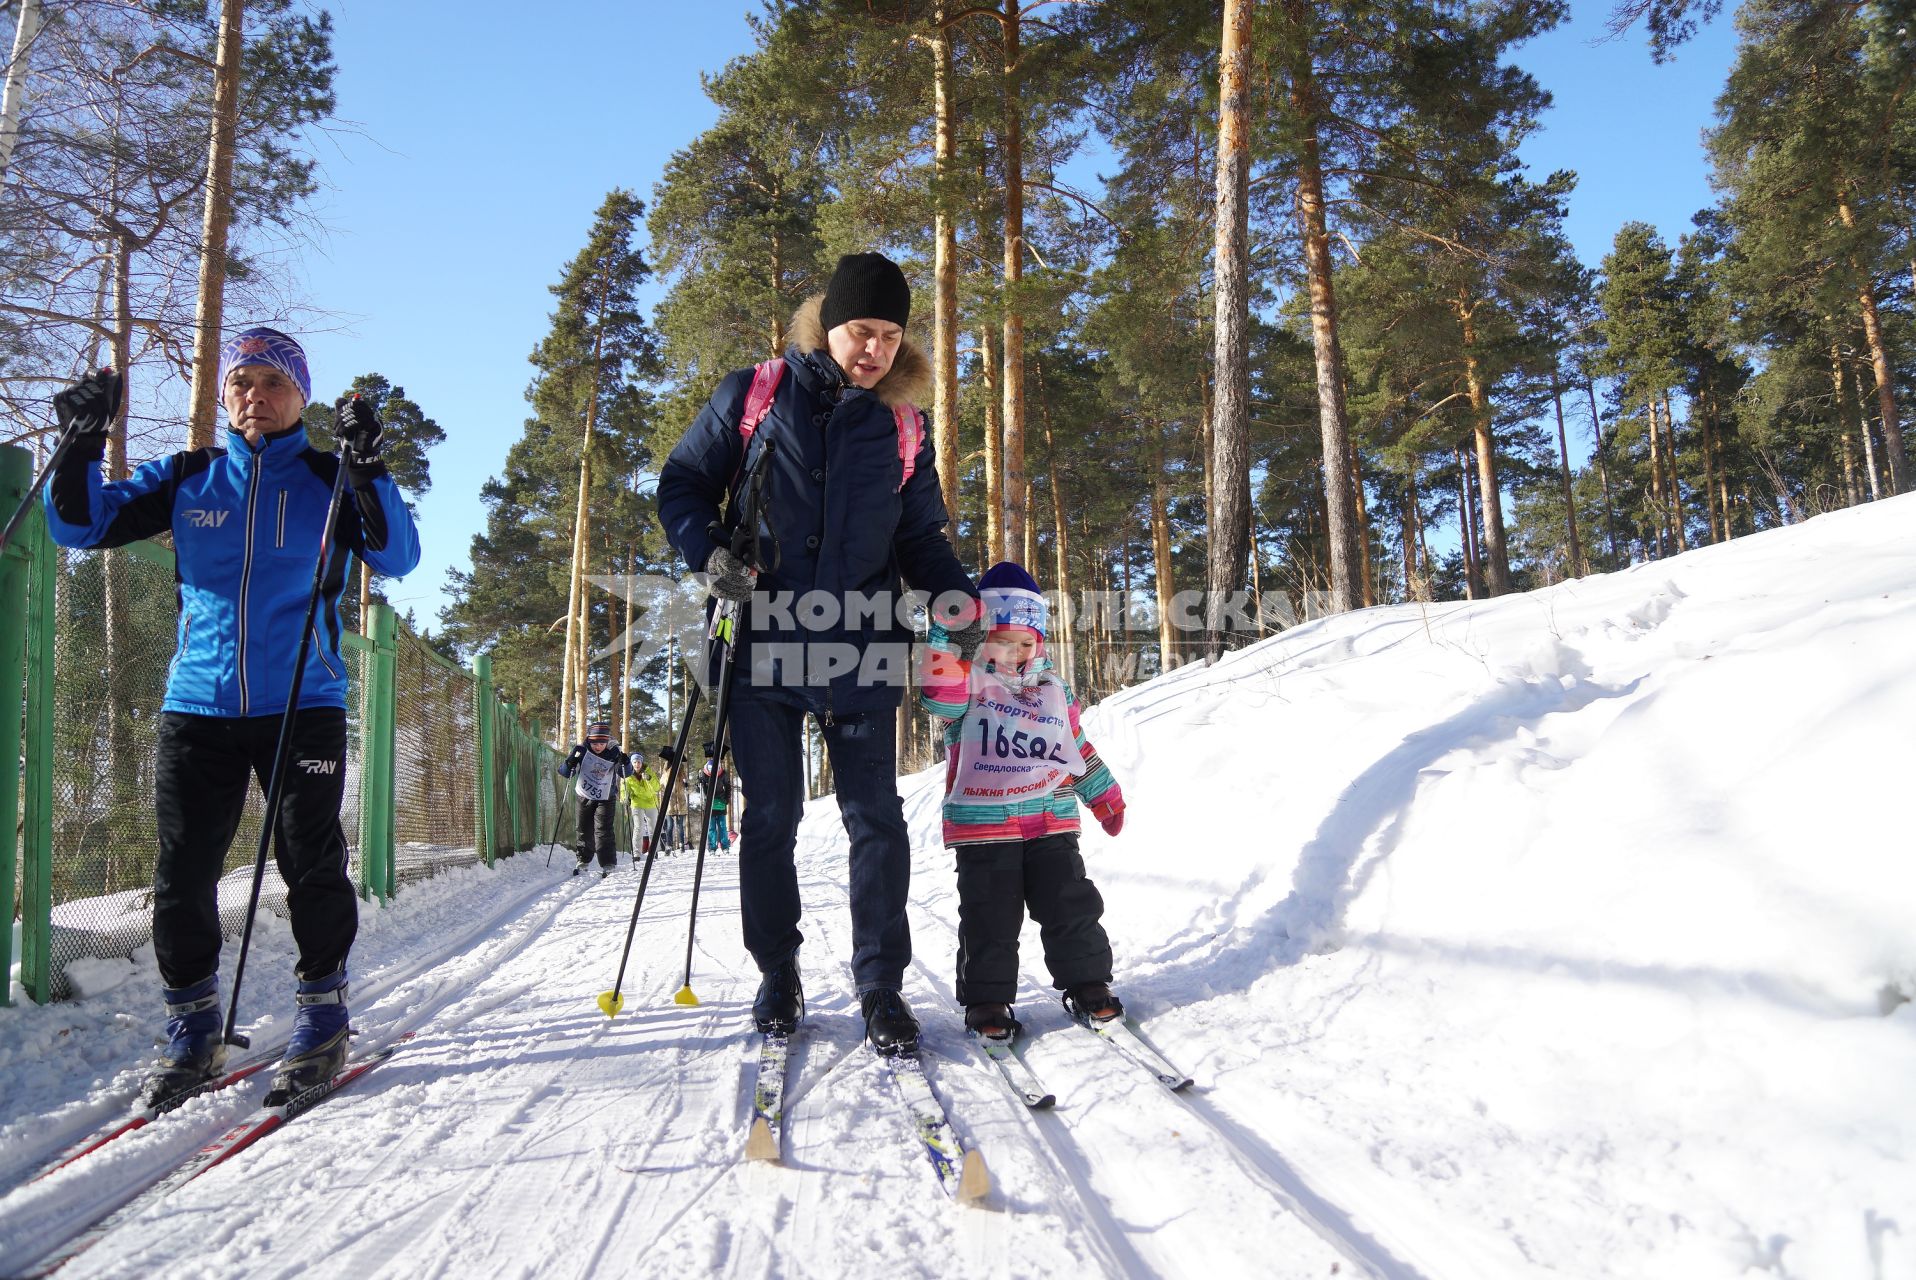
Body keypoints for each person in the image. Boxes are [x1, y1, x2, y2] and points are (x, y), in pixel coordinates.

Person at [41, 330, 422, 1103]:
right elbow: (78, 525)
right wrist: (81, 443)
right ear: (224, 395)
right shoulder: (189, 477)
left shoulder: (328, 476)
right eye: (242, 381)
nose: (256, 395)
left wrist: (370, 465)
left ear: (301, 399)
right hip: (198, 705)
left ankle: (323, 1011)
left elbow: (397, 556)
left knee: (308, 859)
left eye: (274, 383)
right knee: (183, 872)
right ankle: (192, 1024)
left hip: (302, 703)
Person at [657, 252, 982, 1052]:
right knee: (771, 816)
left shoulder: (906, 425)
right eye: (859, 331)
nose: (873, 348)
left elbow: (919, 536)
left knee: (876, 818)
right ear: (826, 326)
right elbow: (681, 483)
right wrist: (710, 554)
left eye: (889, 335)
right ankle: (778, 973)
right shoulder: (756, 394)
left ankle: (880, 985)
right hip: (763, 641)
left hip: (863, 646)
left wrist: (957, 602)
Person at [918, 562, 1127, 1039]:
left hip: (1051, 819)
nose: (1015, 653)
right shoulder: (967, 684)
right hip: (984, 824)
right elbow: (938, 692)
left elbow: (1075, 746)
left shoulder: (1053, 689)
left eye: (1025, 643)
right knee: (989, 914)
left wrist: (1103, 794)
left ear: (1040, 643)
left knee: (1070, 903)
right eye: (1003, 641)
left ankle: (1088, 982)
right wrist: (951, 635)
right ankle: (988, 999)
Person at [559, 720, 630, 877]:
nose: (598, 746)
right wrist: (570, 762)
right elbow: (565, 772)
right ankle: (583, 860)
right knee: (583, 828)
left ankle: (608, 863)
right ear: (589, 740)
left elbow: (625, 773)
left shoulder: (614, 751)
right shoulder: (581, 750)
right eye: (594, 742)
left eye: (601, 743)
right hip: (584, 794)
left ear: (606, 740)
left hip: (606, 796)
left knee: (603, 829)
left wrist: (626, 763)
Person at [621, 748, 666, 858]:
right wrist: (625, 798)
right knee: (638, 827)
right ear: (632, 763)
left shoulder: (648, 771)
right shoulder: (627, 774)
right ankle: (636, 853)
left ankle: (654, 850)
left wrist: (649, 779)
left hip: (651, 802)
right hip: (637, 803)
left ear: (642, 762)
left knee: (652, 828)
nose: (637, 764)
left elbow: (656, 788)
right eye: (635, 762)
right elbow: (624, 789)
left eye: (639, 762)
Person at [695, 745, 733, 854]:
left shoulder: (722, 774)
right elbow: (699, 789)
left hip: (720, 802)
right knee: (711, 827)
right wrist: (699, 784)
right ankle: (712, 847)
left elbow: (728, 786)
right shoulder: (703, 774)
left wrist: (726, 799)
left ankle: (725, 846)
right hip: (709, 804)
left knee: (722, 826)